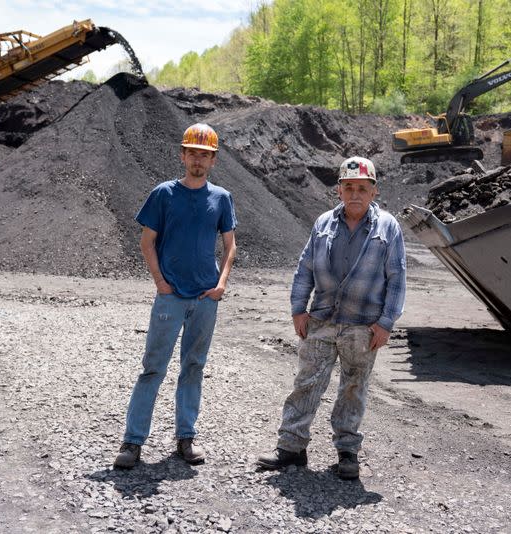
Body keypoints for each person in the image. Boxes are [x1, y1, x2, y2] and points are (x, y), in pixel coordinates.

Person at [257, 156, 406, 480]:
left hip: (363, 326)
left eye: (362, 188)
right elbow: (305, 268)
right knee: (306, 383)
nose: (355, 194)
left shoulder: (388, 227)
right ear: (338, 190)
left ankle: (347, 451)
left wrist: (385, 323)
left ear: (373, 191)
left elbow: (397, 278)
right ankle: (291, 448)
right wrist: (299, 309)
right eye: (348, 187)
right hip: (322, 320)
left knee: (354, 388)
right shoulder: (323, 223)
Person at [114, 123, 237, 469]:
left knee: (194, 367)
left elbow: (230, 247)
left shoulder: (222, 198)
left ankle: (186, 438)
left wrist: (221, 284)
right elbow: (146, 241)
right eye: (193, 153)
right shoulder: (163, 194)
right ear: (183, 156)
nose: (198, 161)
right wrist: (160, 283)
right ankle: (133, 442)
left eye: (205, 155)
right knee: (152, 368)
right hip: (170, 298)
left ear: (213, 160)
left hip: (205, 299)